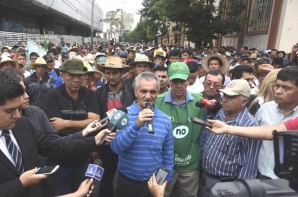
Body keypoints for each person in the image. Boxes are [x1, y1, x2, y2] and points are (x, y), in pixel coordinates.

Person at [0, 71, 111, 197]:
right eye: (9, 110)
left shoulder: (23, 124)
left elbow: (55, 146)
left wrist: (94, 141)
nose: (16, 115)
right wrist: (21, 183)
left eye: (17, 108)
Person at [110, 72, 174, 197]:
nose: (148, 96)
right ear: (135, 92)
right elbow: (115, 148)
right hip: (127, 182)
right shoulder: (121, 114)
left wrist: (160, 183)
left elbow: (168, 157)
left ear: (158, 93)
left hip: (153, 184)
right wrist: (136, 125)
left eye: (153, 92)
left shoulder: (165, 120)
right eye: (143, 91)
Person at [43, 58, 100, 195]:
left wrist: (67, 124)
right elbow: (55, 127)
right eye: (71, 75)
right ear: (62, 75)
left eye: (79, 75)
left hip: (83, 154)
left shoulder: (89, 95)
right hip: (60, 156)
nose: (76, 80)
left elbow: (95, 120)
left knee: (83, 191)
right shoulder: (52, 95)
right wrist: (84, 127)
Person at [200, 79, 261, 196]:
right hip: (206, 179)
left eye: (231, 97)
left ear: (244, 102)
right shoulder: (221, 113)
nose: (224, 100)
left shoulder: (249, 125)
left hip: (228, 184)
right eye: (224, 95)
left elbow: (249, 164)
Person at [155, 62, 204, 197]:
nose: (178, 85)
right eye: (174, 81)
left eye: (182, 81)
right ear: (168, 80)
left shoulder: (199, 101)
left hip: (190, 164)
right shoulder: (157, 102)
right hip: (163, 164)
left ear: (189, 80)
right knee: (159, 193)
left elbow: (204, 132)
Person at [95, 56, 133, 197]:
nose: (111, 76)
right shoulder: (98, 93)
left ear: (122, 73)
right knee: (106, 178)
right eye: (108, 72)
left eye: (115, 73)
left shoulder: (132, 91)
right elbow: (96, 119)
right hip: (106, 141)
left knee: (127, 178)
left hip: (127, 139)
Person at [253, 67, 298, 180]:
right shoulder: (265, 108)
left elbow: (272, 132)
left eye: (286, 88)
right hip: (260, 172)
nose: (278, 91)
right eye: (277, 86)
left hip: (289, 181)